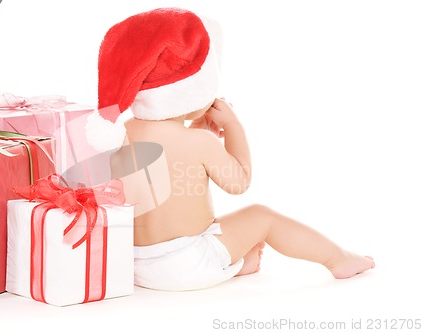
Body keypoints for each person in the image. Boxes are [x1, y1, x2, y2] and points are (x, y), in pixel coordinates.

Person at [89, 7, 375, 291]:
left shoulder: (123, 131)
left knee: (219, 232)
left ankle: (236, 265)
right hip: (187, 262)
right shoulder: (199, 143)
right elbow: (239, 182)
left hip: (136, 265)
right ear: (192, 88)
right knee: (263, 217)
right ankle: (338, 259)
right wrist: (233, 126)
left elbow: (165, 169)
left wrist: (201, 135)